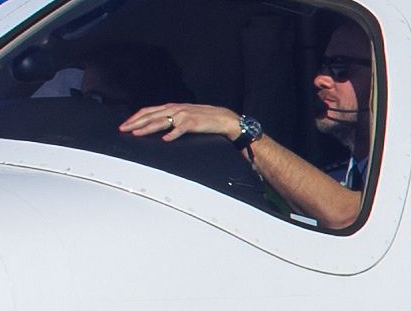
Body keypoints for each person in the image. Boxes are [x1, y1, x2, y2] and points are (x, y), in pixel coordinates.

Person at [121, 41, 374, 231]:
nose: (320, 79)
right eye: (325, 65)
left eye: (341, 68)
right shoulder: (337, 175)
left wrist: (235, 126)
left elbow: (348, 215)